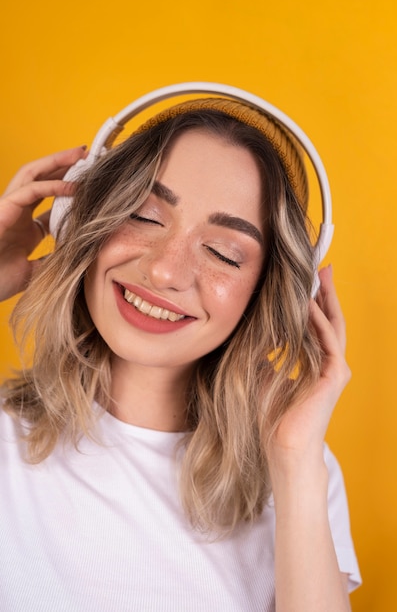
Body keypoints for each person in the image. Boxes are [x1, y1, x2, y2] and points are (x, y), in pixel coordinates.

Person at [0, 92, 360, 611]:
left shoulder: (301, 472)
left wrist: (295, 463)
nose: (166, 271)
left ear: (266, 293)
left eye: (222, 253)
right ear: (78, 220)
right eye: (144, 217)